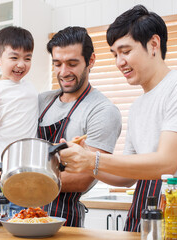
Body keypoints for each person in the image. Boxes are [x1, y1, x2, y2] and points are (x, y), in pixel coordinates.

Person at [58, 5, 177, 238]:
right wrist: (88, 163)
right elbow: (126, 177)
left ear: (153, 45)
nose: (119, 62)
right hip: (145, 202)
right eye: (115, 54)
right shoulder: (137, 106)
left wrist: (92, 159)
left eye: (125, 51)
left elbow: (166, 164)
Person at [37, 26, 121, 227]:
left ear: (90, 61)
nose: (63, 72)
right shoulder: (40, 101)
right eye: (57, 64)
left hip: (63, 219)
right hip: (17, 210)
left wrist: (20, 181)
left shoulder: (102, 110)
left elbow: (85, 176)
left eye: (72, 63)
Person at [0, 26, 38, 214]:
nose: (21, 64)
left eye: (27, 58)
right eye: (14, 57)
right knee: (8, 214)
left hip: (23, 163)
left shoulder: (31, 89)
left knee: (23, 211)